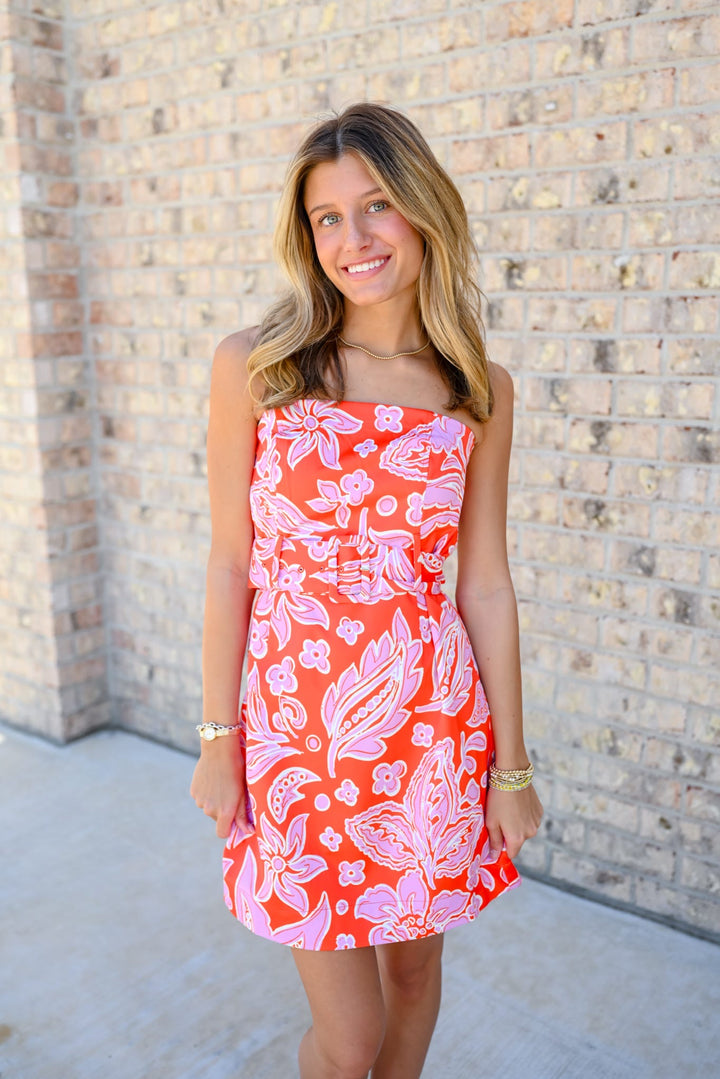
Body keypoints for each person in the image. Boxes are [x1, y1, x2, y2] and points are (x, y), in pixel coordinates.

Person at [190, 102, 543, 1079]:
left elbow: (487, 586)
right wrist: (221, 739)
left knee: (418, 980)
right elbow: (230, 562)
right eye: (327, 216)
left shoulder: (476, 386)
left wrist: (511, 768)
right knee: (347, 1043)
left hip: (432, 734)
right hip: (297, 738)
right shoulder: (258, 368)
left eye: (377, 204)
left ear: (424, 210)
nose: (354, 238)